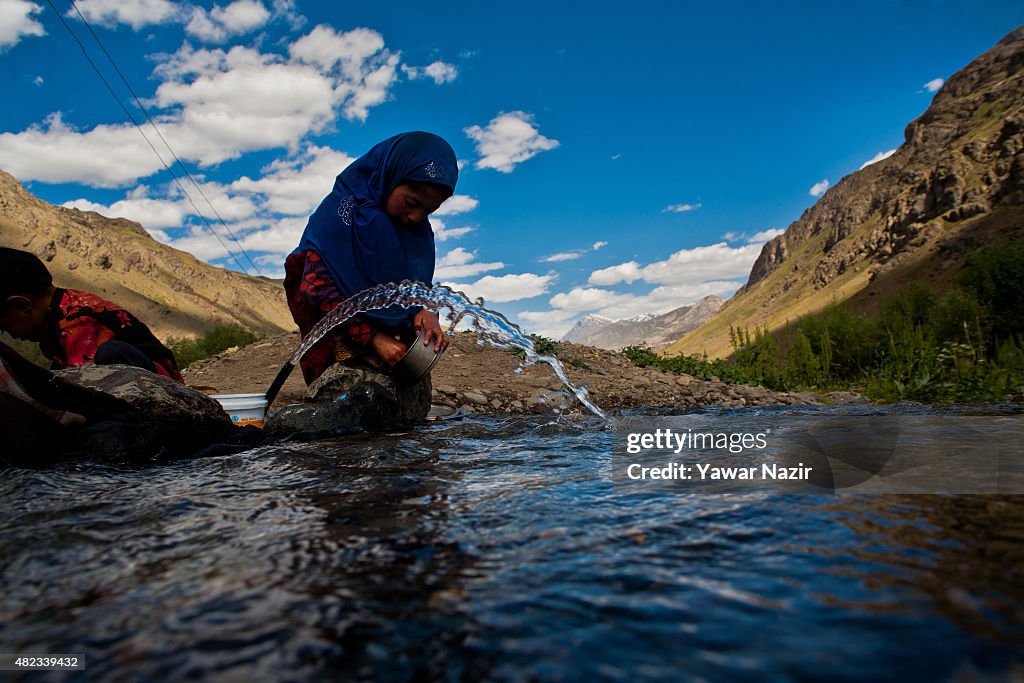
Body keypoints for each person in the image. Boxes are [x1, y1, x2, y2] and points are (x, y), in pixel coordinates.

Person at [285, 131, 457, 385]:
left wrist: (426, 309)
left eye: (429, 210)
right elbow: (316, 288)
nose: (416, 217)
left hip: (393, 354)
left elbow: (415, 284)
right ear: (391, 175)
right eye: (412, 202)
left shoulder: (416, 233)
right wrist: (373, 338)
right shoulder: (341, 213)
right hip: (339, 349)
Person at [0, 247, 184, 382]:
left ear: (21, 305)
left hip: (163, 388)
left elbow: (82, 384)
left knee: (110, 355)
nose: (12, 335)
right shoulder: (57, 317)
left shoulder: (78, 322)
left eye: (4, 327)